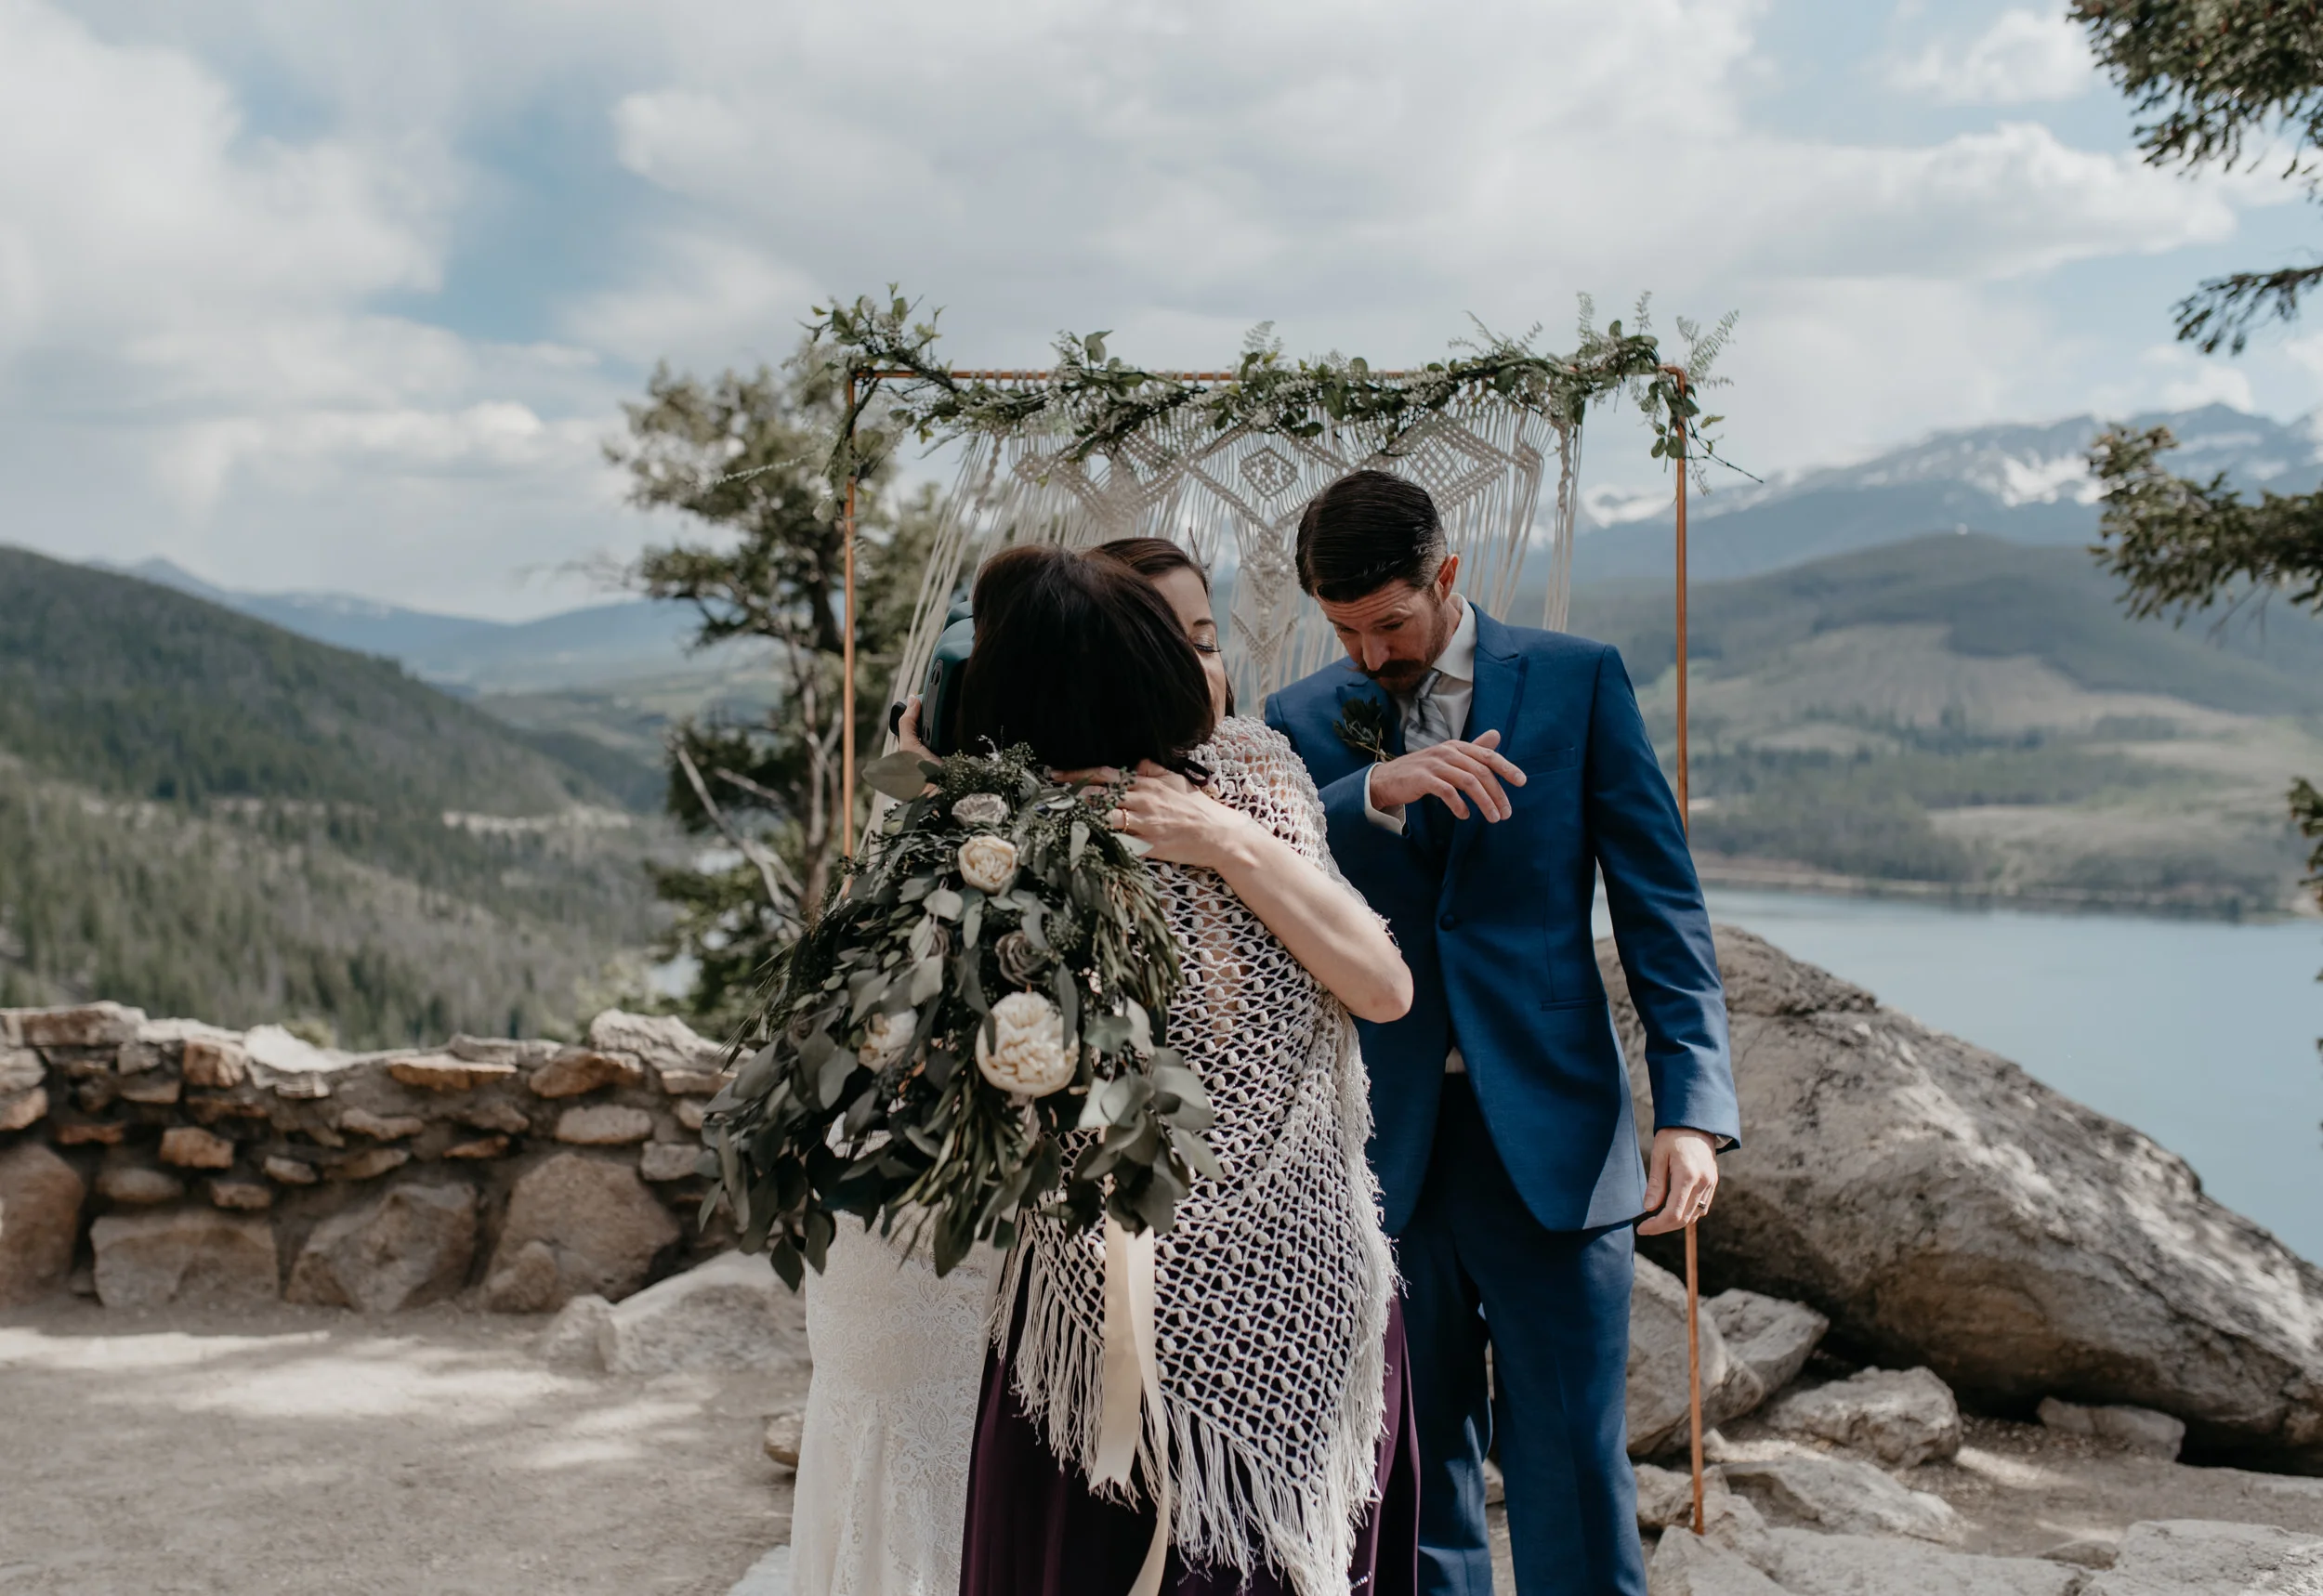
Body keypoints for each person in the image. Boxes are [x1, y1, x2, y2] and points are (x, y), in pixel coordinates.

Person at [789, 539, 1415, 1596]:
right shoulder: (1000, 844)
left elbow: (1381, 984)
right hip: (1107, 1315)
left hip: (1288, 1279)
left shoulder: (1239, 781)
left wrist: (1221, 840)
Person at [1261, 470, 1740, 1596]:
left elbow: (1660, 904)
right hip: (1384, 1149)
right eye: (1344, 630)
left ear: (1447, 576)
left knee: (1572, 1461)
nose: (1370, 654)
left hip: (1558, 1136)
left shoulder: (1575, 681)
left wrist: (1692, 1112)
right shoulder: (1299, 719)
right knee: (1412, 1472)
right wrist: (1370, 784)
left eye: (1390, 622)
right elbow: (1266, 875)